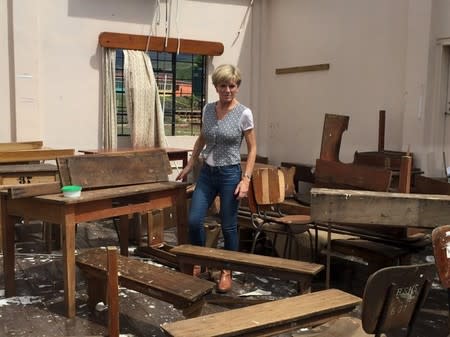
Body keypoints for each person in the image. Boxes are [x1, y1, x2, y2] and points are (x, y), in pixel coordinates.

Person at [176, 64, 257, 293]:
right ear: (216, 87)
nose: (227, 90)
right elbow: (202, 138)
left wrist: (246, 180)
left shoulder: (244, 113)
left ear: (237, 87)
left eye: (232, 85)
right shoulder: (208, 110)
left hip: (230, 174)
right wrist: (191, 162)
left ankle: (226, 269)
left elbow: (252, 149)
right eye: (223, 85)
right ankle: (202, 260)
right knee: (194, 221)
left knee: (229, 226)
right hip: (207, 173)